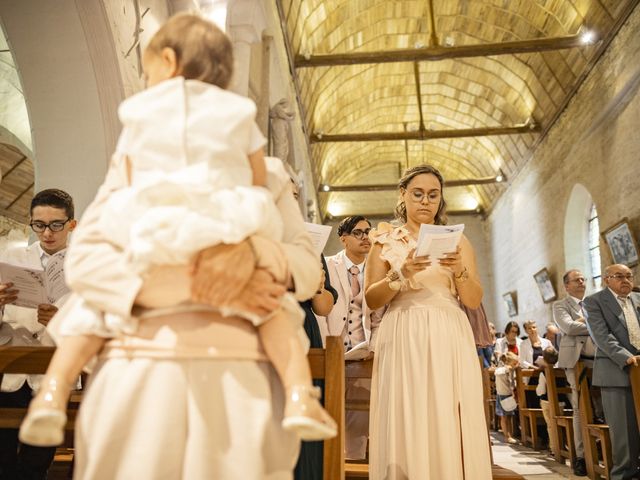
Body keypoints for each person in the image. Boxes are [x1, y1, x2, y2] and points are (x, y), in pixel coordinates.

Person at [21, 16, 324, 479]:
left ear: (167, 65)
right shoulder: (132, 169)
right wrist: (185, 282)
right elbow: (84, 262)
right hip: (137, 366)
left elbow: (307, 269)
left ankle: (52, 390)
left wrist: (252, 254)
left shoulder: (267, 175)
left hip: (236, 372)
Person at [364, 164, 491, 479]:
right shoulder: (384, 240)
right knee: (408, 411)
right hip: (403, 330)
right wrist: (401, 274)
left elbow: (473, 300)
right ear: (403, 195)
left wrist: (460, 270)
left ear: (440, 199)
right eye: (417, 194)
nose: (425, 201)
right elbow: (370, 299)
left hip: (449, 330)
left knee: (447, 410)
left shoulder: (459, 242)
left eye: (433, 195)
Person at [0, 189, 76, 479]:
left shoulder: (85, 266)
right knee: (4, 458)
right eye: (39, 225)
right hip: (9, 368)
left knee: (37, 461)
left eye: (56, 224)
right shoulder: (11, 257)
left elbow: (95, 325)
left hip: (53, 372)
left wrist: (60, 321)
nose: (47, 233)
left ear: (72, 224)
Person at [319, 215, 383, 461]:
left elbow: (378, 315)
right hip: (332, 351)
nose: (366, 237)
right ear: (343, 238)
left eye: (368, 231)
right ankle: (330, 465)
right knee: (330, 415)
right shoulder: (327, 264)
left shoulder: (377, 270)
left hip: (363, 354)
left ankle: (354, 464)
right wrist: (326, 348)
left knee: (359, 422)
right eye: (358, 232)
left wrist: (374, 347)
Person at [584, 264, 640, 480]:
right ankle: (623, 475)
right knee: (624, 433)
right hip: (618, 371)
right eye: (619, 276)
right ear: (607, 279)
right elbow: (601, 335)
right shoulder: (594, 302)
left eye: (629, 276)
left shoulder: (637, 299)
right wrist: (626, 356)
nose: (625, 280)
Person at [552, 269, 595, 476]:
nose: (581, 281)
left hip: (601, 360)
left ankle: (600, 451)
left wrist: (583, 324)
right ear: (566, 286)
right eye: (576, 279)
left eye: (583, 279)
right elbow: (568, 328)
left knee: (601, 406)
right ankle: (581, 456)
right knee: (580, 407)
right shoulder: (560, 305)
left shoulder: (594, 303)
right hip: (576, 362)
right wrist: (595, 325)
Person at [535, 346, 566, 455]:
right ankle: (562, 446)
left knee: (550, 425)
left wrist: (537, 392)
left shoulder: (544, 373)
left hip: (547, 402)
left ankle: (554, 448)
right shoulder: (562, 371)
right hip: (561, 402)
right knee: (560, 425)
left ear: (543, 358)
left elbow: (541, 390)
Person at [495, 352, 520, 445]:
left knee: (509, 416)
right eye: (514, 364)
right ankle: (507, 436)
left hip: (509, 395)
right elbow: (497, 372)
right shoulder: (501, 370)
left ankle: (510, 435)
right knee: (504, 417)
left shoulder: (511, 371)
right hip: (502, 395)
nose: (515, 366)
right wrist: (507, 368)